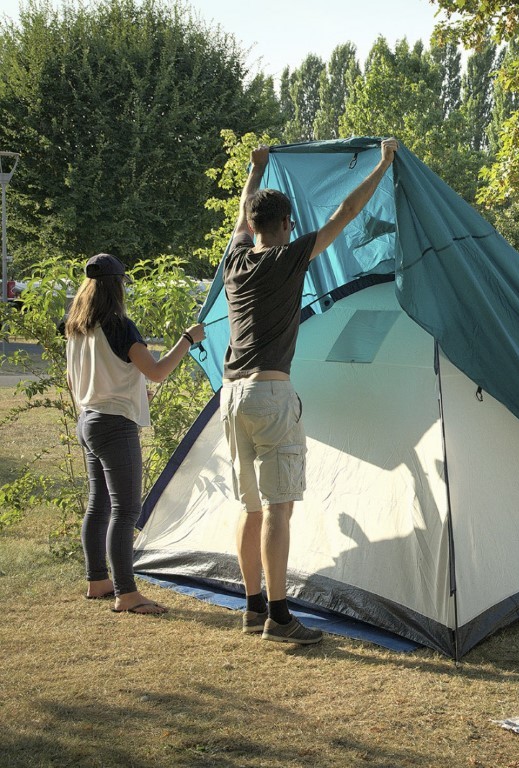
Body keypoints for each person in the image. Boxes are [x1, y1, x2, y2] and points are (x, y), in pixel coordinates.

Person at [222, 139, 398, 645]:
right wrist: (383, 164)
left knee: (250, 507)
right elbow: (347, 213)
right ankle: (279, 618)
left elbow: (241, 212)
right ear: (283, 226)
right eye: (291, 225)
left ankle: (252, 608)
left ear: (254, 227)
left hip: (231, 398)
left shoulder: (237, 260)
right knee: (279, 508)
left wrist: (254, 172)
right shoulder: (288, 256)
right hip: (270, 397)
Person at [65, 253, 206, 614]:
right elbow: (157, 371)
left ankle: (98, 581)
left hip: (89, 420)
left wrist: (127, 390)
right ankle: (127, 594)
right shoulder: (119, 326)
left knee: (99, 505)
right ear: (118, 286)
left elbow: (76, 379)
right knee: (126, 510)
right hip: (114, 426)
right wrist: (187, 340)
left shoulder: (77, 326)